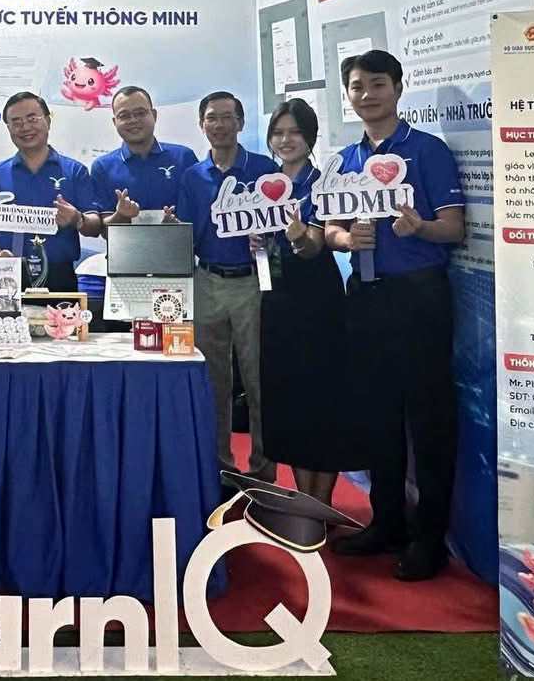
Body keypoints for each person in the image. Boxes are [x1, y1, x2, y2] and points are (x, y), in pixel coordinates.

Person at [323, 49, 466, 582]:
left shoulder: (427, 150)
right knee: (376, 415)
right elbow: (328, 227)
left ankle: (429, 540)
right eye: (357, 87)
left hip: (419, 295)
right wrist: (344, 239)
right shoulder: (345, 160)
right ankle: (386, 523)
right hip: (364, 294)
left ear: (399, 88)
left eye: (377, 84)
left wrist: (420, 228)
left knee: (427, 419)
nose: (367, 95)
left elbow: (453, 227)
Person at [174, 91, 279, 482]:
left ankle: (263, 472)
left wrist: (267, 239)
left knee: (258, 378)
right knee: (211, 380)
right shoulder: (192, 176)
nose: (219, 125)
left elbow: (282, 225)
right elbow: (188, 235)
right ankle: (218, 467)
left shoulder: (264, 169)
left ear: (241, 122)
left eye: (226, 117)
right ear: (202, 125)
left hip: (253, 280)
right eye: (211, 118)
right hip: (206, 280)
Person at [259, 99, 352, 508]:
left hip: (318, 301)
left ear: (310, 137)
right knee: (290, 398)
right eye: (279, 133)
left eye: (295, 132)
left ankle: (324, 503)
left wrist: (298, 236)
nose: (286, 140)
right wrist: (257, 243)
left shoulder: (323, 183)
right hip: (276, 300)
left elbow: (314, 246)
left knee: (325, 398)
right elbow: (260, 248)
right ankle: (303, 502)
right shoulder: (262, 186)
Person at [0, 92, 101, 292]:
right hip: (7, 275)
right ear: (8, 128)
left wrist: (77, 218)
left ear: (48, 121)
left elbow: (95, 226)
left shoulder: (75, 171)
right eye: (16, 122)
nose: (25, 127)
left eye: (32, 118)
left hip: (60, 277)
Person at [89, 86, 197, 227]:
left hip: (181, 241)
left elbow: (202, 211)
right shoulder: (103, 167)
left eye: (140, 113)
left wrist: (178, 225)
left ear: (154, 115)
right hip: (126, 243)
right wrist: (120, 215)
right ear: (115, 122)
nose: (133, 120)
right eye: (124, 116)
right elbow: (103, 230)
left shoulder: (184, 158)